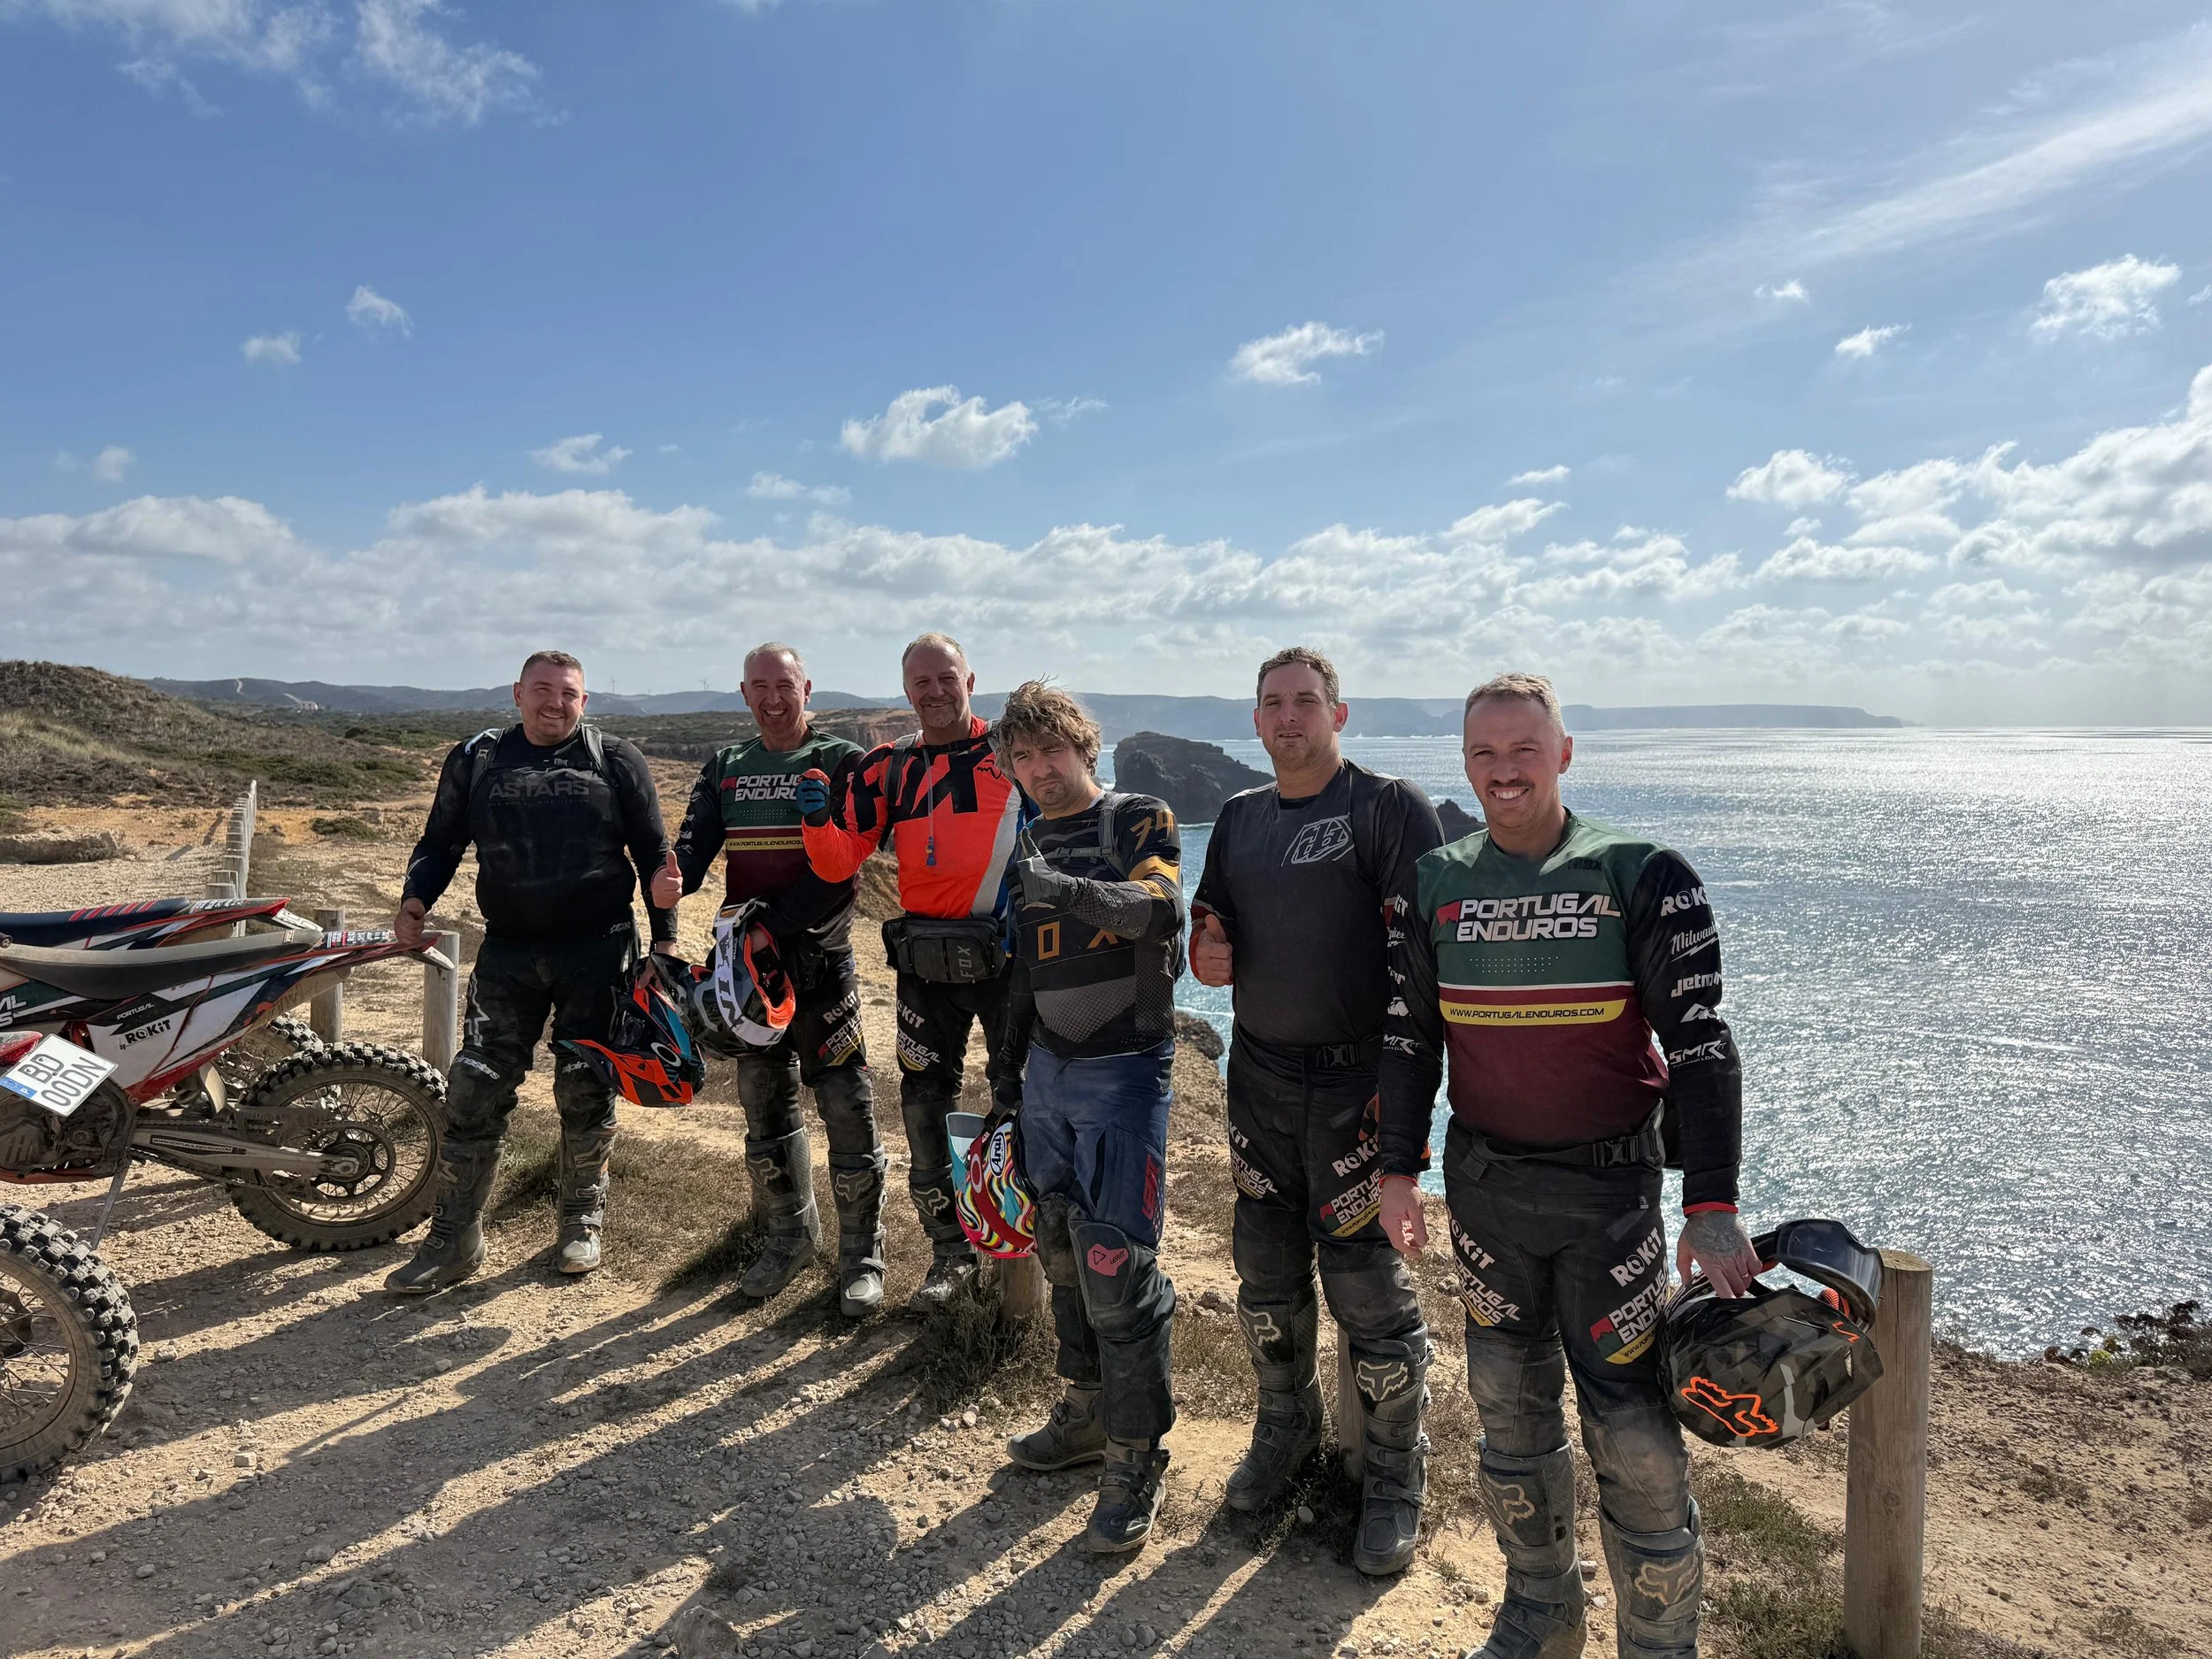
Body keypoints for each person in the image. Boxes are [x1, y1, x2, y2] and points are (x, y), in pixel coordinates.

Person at [1378, 672, 1763, 1659]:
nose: (1504, 771)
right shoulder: (1435, 881)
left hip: (1609, 1200)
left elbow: (1702, 1045)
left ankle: (1657, 1645)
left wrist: (1710, 1206)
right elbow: (1410, 1040)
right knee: (1506, 1412)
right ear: (1463, 763)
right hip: (1486, 1192)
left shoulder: (1639, 871)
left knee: (1630, 1431)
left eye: (1523, 749)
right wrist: (1393, 1168)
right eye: (1482, 754)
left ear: (1563, 753)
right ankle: (1539, 1615)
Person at [1189, 646, 1444, 1577]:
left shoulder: (1386, 808)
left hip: (1357, 1085)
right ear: (1254, 722)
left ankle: (1393, 1472)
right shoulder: (1238, 817)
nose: (1289, 717)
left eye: (1306, 701)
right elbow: (1210, 919)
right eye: (1272, 704)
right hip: (1259, 1077)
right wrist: (1203, 948)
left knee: (1367, 1283)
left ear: (1341, 714)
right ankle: (1284, 1429)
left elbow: (1426, 964)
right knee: (1261, 1263)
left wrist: (1406, 1106)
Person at [387, 649, 677, 1293]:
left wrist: (665, 944)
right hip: (510, 951)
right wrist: (414, 900)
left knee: (584, 1087)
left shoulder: (616, 759)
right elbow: (440, 842)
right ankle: (454, 1237)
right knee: (474, 1087)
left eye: (568, 693)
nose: (555, 703)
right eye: (542, 690)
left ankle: (580, 1223)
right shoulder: (477, 758)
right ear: (517, 693)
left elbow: (657, 856)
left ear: (585, 700)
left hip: (599, 951)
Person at [989, 682, 1186, 1553]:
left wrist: (1059, 889)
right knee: (1062, 1251)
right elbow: (1025, 972)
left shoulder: (1137, 817)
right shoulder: (1030, 834)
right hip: (1048, 1077)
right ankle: (1082, 1412)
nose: (1040, 771)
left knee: (1116, 1263)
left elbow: (1160, 910)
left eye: (1051, 752)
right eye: (1022, 760)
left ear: (1084, 747)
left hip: (1124, 1074)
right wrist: (1003, 1082)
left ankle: (1138, 1453)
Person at [654, 642, 884, 1316]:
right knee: (763, 1100)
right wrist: (670, 880)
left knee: (847, 1101)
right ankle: (788, 1238)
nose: (773, 698)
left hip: (819, 962)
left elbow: (840, 865)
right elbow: (692, 849)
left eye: (784, 685)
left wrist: (774, 928)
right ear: (744, 693)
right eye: (760, 687)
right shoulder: (726, 766)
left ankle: (861, 1255)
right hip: (746, 970)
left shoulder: (843, 760)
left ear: (806, 688)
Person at [796, 632, 1025, 1308]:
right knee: (924, 1109)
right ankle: (950, 1256)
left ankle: (1024, 1251)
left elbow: (1073, 818)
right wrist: (816, 823)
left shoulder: (1015, 749)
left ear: (970, 679)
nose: (933, 691)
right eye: (920, 682)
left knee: (1022, 1101)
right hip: (925, 967)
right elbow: (840, 861)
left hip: (1012, 963)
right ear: (906, 691)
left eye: (944, 677)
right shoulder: (885, 768)